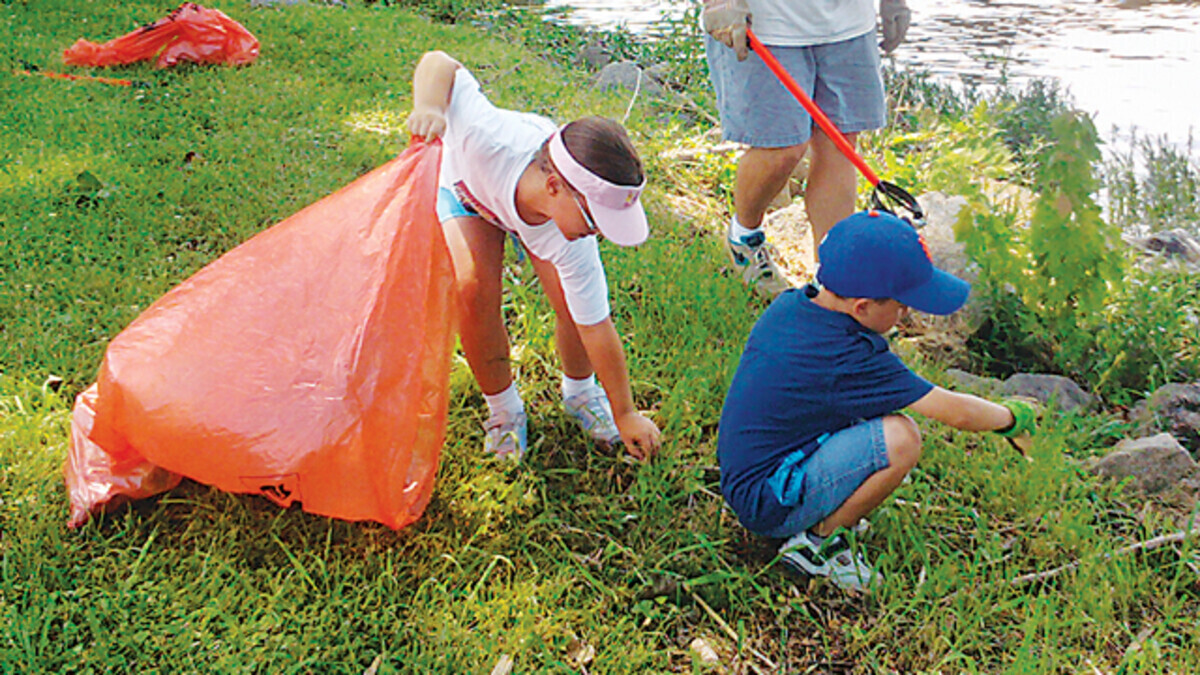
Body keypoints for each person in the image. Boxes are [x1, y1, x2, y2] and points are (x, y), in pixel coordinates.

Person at [717, 211, 1038, 592]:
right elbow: (957, 413)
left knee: (875, 419)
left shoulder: (793, 306)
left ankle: (820, 510)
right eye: (902, 305)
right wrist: (1013, 418)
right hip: (768, 500)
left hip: (750, 478)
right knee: (901, 438)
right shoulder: (850, 356)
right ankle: (815, 545)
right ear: (863, 307)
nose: (907, 313)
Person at [406, 51, 661, 462]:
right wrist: (430, 107)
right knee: (471, 288)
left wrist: (626, 412)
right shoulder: (485, 137)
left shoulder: (571, 233)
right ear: (556, 187)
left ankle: (580, 393)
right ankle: (504, 410)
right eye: (595, 219)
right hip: (468, 191)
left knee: (572, 304)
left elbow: (596, 325)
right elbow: (438, 62)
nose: (598, 233)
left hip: (533, 207)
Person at [702, 0, 912, 297]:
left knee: (839, 144)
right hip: (765, 25)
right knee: (782, 148)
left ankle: (832, 278)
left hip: (849, 25)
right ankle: (744, 237)